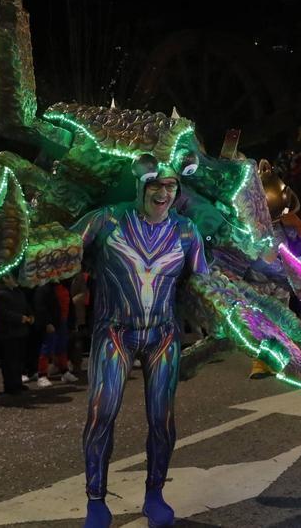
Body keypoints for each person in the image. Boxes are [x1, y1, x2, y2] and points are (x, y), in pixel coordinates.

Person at [76, 153, 208, 528]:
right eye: (156, 185)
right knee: (102, 413)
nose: (163, 193)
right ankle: (96, 501)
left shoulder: (186, 232)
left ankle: (154, 495)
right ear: (140, 185)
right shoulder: (107, 220)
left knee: (162, 419)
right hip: (113, 331)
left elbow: (204, 286)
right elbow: (64, 250)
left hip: (164, 334)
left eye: (171, 186)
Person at [0, 278, 33, 395]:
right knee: (9, 361)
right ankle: (10, 386)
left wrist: (30, 314)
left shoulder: (18, 292)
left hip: (20, 331)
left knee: (19, 360)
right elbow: (1, 313)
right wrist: (19, 318)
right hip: (7, 333)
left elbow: (25, 305)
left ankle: (17, 383)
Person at [35, 279, 79, 387]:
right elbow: (40, 307)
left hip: (63, 322)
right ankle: (42, 375)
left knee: (62, 347)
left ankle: (64, 371)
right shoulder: (43, 288)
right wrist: (47, 323)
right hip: (52, 323)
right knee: (47, 348)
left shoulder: (64, 286)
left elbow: (70, 306)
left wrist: (72, 323)